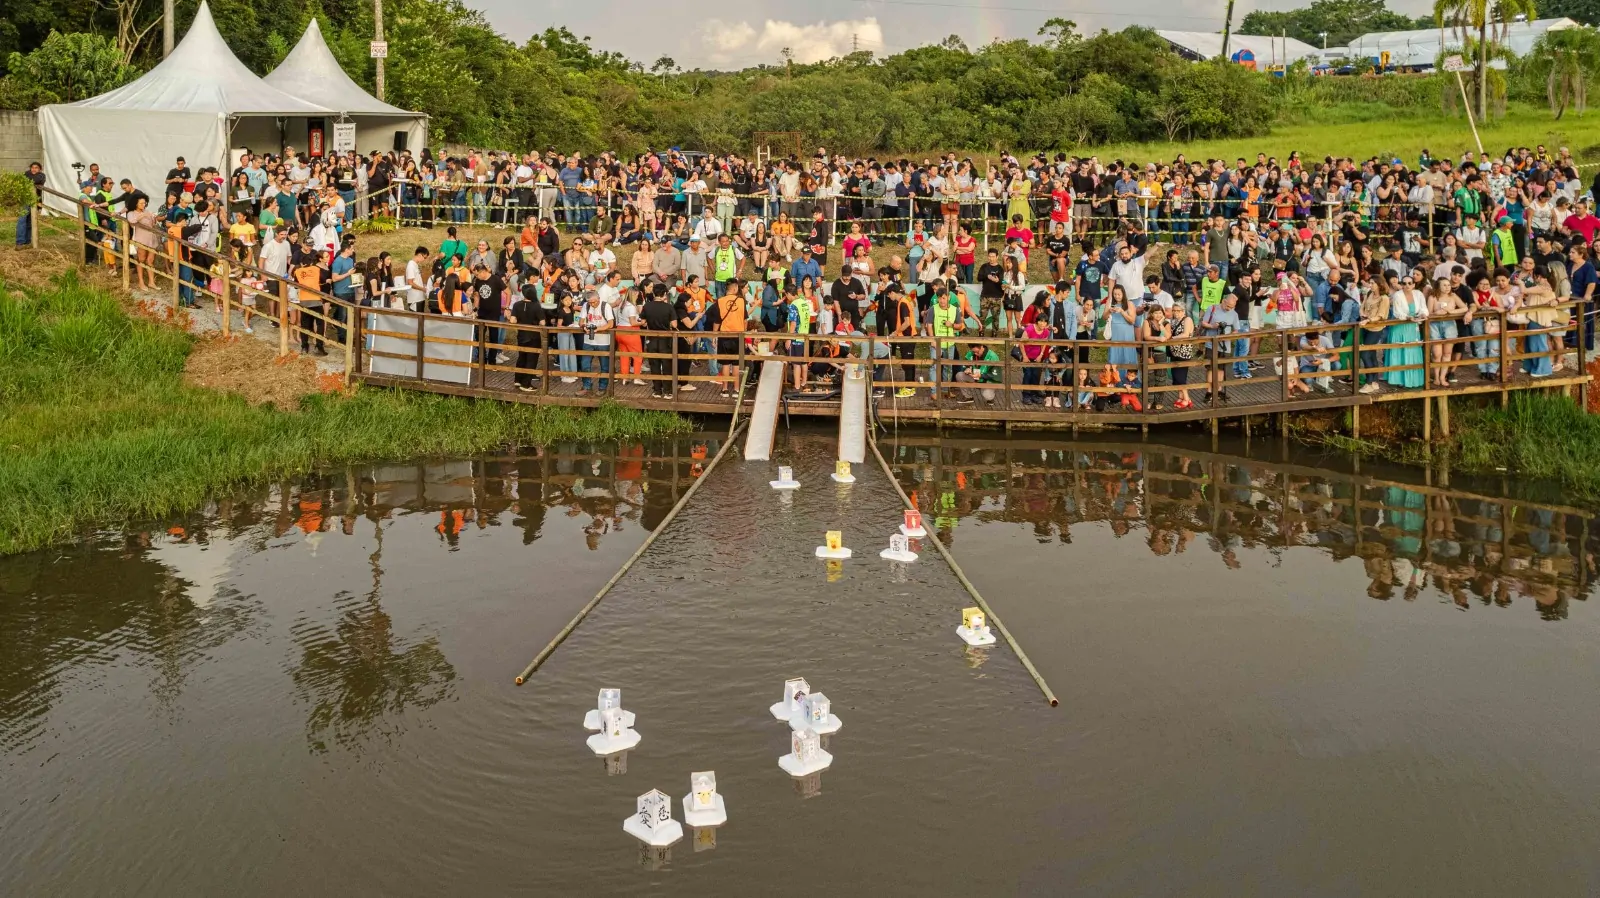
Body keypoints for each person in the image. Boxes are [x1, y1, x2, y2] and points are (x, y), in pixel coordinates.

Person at [1385, 275, 1427, 389]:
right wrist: (1408, 317)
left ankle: (1414, 378)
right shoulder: (1397, 295)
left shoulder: (1419, 294)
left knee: (1413, 350)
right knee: (1400, 350)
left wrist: (1423, 314)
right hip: (1401, 326)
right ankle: (1399, 379)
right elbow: (1397, 312)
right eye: (1404, 283)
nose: (1406, 285)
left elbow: (1423, 307)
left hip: (1414, 326)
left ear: (1413, 284)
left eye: (1409, 283)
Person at [641, 283, 676, 397]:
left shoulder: (647, 306)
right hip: (665, 339)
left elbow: (643, 322)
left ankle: (657, 390)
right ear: (665, 294)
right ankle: (668, 391)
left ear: (654, 293)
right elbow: (674, 324)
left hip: (651, 339)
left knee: (654, 364)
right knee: (666, 365)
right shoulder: (669, 307)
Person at [508, 283, 545, 391]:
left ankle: (518, 380)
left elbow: (512, 320)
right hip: (533, 336)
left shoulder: (517, 305)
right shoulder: (536, 306)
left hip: (521, 335)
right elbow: (542, 322)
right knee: (531, 360)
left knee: (521, 357)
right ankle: (526, 384)